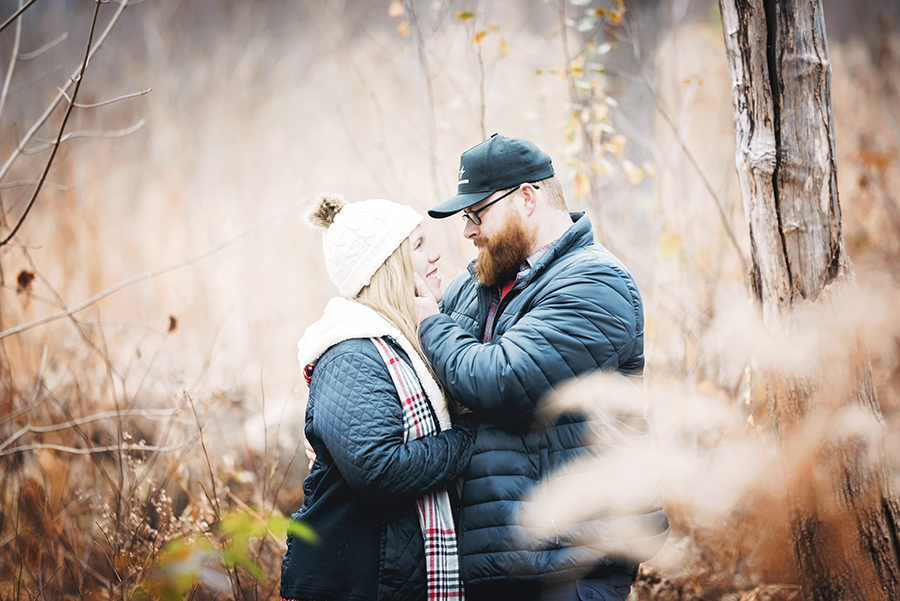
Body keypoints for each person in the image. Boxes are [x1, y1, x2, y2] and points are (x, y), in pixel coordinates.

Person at [413, 134, 670, 601]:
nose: (467, 231)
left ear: (527, 198)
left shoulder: (596, 283)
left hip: (572, 560)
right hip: (495, 560)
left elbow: (503, 380)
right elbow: (434, 379)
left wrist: (430, 324)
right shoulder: (478, 283)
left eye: (476, 214)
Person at [281, 194, 477, 601]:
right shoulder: (351, 354)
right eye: (419, 246)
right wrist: (471, 436)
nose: (436, 254)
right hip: (351, 584)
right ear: (387, 266)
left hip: (387, 576)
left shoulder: (408, 344)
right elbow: (378, 468)